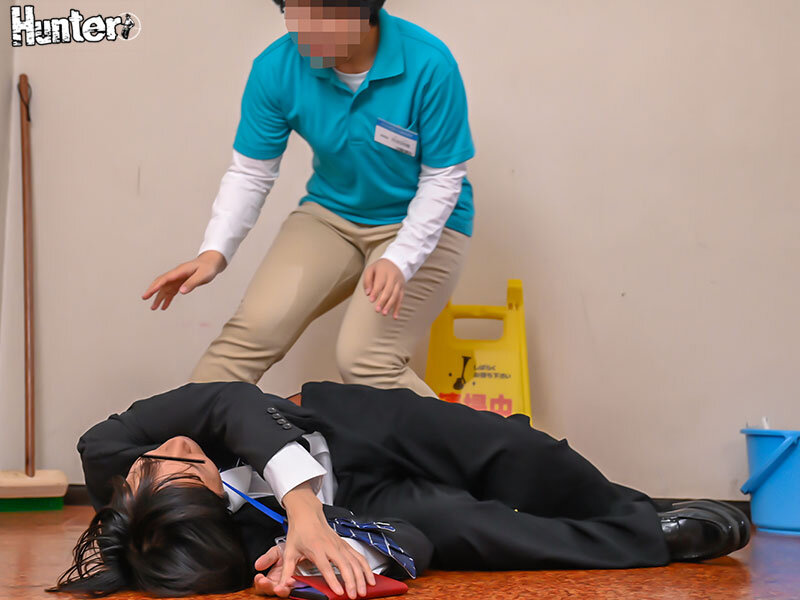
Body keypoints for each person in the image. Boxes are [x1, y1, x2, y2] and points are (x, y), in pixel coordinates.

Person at [50, 380, 750, 598]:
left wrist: (300, 504)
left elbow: (228, 402)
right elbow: (411, 541)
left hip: (352, 427)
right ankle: (648, 536)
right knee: (479, 532)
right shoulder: (223, 546)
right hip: (361, 505)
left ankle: (632, 506)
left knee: (520, 452)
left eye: (151, 464)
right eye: (185, 471)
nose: (174, 449)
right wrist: (336, 560)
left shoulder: (108, 452)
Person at [141, 0, 476, 398]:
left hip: (423, 222)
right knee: (249, 335)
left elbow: (442, 178)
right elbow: (251, 172)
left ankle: (467, 442)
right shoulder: (276, 68)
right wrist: (214, 252)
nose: (307, 32)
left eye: (325, 17)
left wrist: (400, 258)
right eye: (296, 15)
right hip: (331, 215)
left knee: (366, 360)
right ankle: (181, 437)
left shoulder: (429, 63)